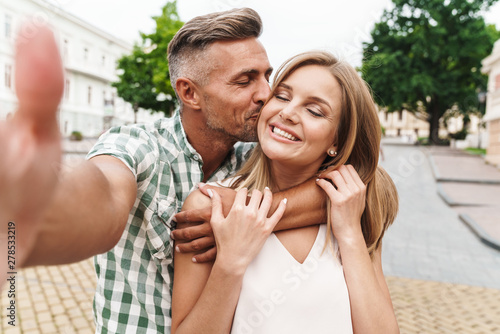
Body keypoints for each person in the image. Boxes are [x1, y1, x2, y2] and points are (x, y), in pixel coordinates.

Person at [0, 8, 330, 333]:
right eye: (245, 81)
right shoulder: (140, 146)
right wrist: (43, 205)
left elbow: (358, 185)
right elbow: (106, 194)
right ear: (190, 93)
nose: (265, 94)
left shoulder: (259, 155)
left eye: (266, 76)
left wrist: (246, 214)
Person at [172, 51, 400, 333]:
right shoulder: (212, 206)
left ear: (337, 141)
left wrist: (351, 235)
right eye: (281, 96)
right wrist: (230, 265)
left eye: (314, 111)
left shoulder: (352, 207)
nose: (288, 112)